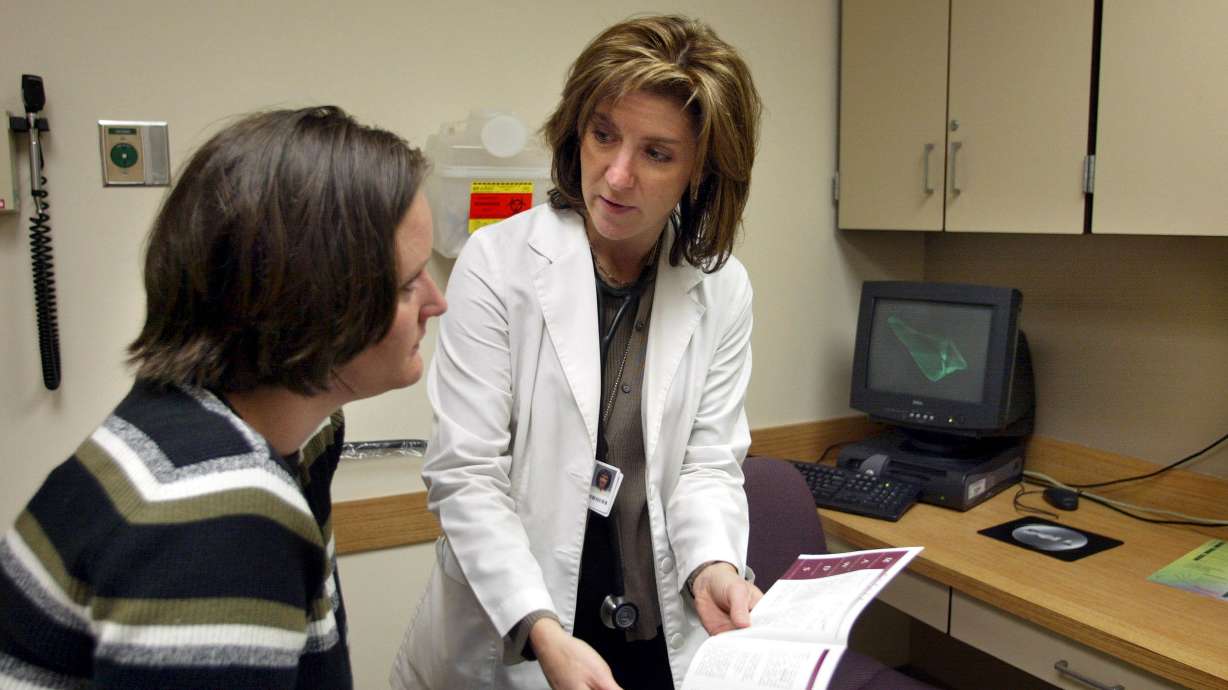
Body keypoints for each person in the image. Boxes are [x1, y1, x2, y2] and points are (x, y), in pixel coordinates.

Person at [0, 106, 446, 689]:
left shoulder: (185, 423)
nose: (437, 302)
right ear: (320, 304)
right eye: (410, 284)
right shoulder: (217, 509)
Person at [393, 15, 762, 690]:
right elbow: (467, 473)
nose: (617, 175)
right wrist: (539, 627)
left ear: (701, 168)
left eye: (657, 153)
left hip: (652, 634)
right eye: (603, 135)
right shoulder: (497, 264)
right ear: (576, 130)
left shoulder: (722, 289)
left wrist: (714, 565)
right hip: (522, 633)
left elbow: (707, 466)